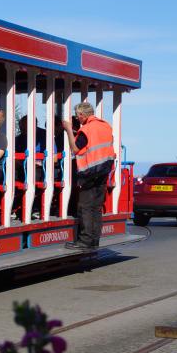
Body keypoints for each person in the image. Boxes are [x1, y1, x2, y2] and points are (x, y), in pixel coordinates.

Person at [61, 101, 116, 249]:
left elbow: (76, 148)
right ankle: (94, 241)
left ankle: (84, 241)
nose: (77, 118)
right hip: (104, 171)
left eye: (77, 116)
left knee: (85, 207)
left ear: (81, 115)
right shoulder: (105, 126)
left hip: (90, 173)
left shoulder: (86, 129)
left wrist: (67, 130)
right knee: (96, 208)